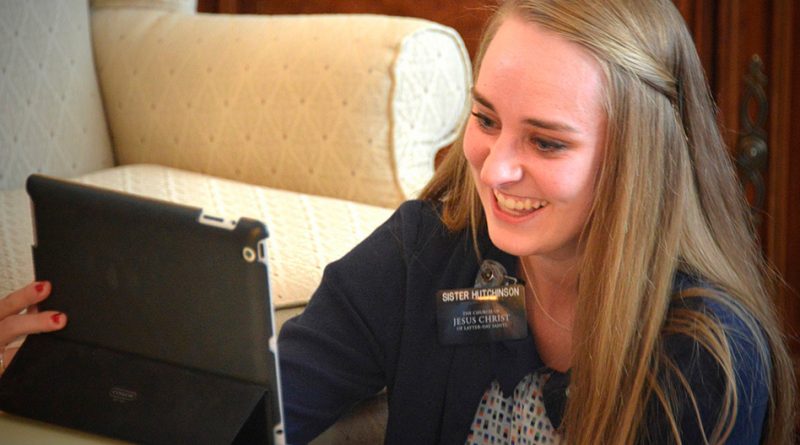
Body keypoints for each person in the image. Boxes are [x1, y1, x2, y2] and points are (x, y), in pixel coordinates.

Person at [1, 0, 796, 443]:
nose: (495, 167)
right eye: (486, 119)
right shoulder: (431, 251)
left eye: (546, 141)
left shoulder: (707, 356)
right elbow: (266, 408)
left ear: (637, 161)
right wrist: (65, 373)